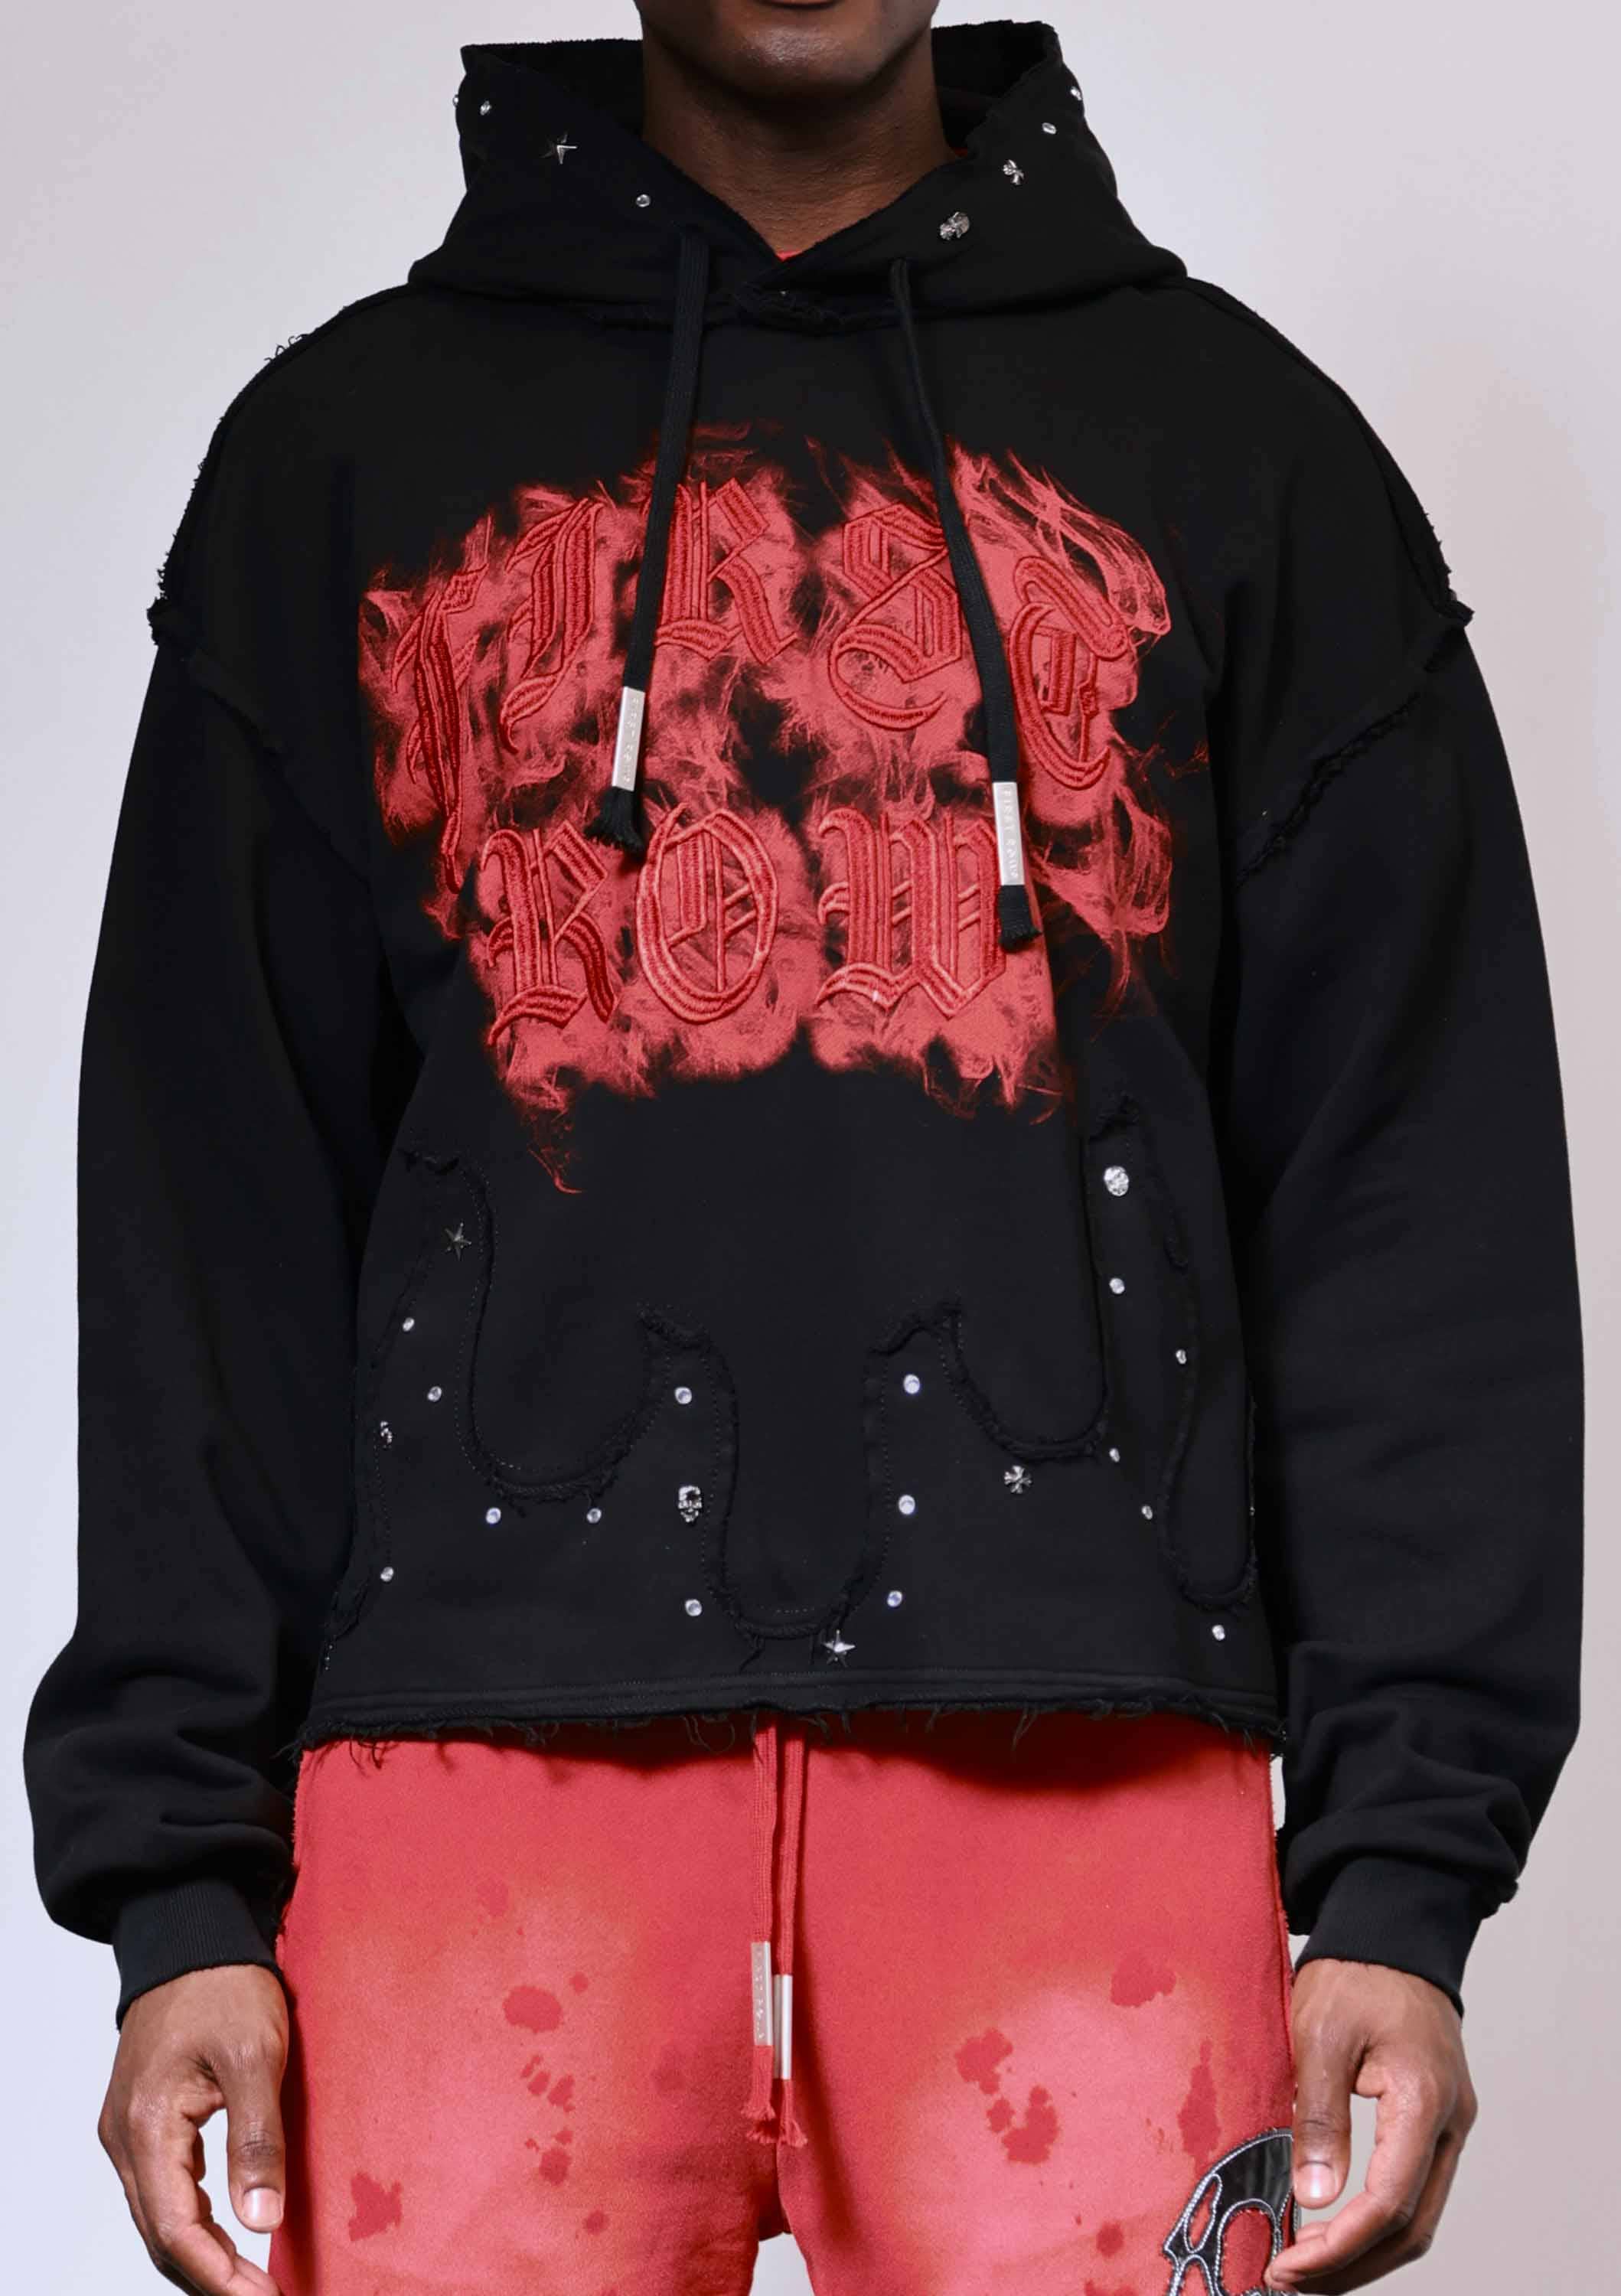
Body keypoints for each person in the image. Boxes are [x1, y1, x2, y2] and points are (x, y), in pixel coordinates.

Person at [25, 5, 1583, 2293]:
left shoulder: (1244, 457)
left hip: (1086, 1797)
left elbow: (1411, 1199)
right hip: (475, 1818)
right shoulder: (343, 463)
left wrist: (1403, 1881)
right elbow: (209, 1203)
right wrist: (177, 1894)